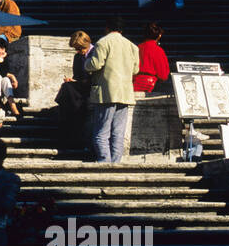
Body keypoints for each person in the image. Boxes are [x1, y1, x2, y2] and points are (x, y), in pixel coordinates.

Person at [84, 15, 139, 164]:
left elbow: (95, 65)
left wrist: (86, 62)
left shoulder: (103, 42)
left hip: (106, 92)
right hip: (125, 93)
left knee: (101, 132)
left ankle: (104, 162)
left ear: (107, 28)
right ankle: (116, 163)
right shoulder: (132, 46)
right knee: (118, 133)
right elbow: (136, 69)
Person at [55, 30, 94, 155]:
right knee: (66, 88)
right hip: (81, 86)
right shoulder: (78, 57)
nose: (78, 51)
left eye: (79, 48)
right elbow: (77, 75)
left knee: (68, 93)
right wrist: (72, 80)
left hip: (91, 87)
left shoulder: (95, 53)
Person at [133, 23, 170, 96]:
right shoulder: (159, 51)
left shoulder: (136, 48)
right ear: (159, 36)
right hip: (152, 86)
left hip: (134, 85)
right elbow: (163, 75)